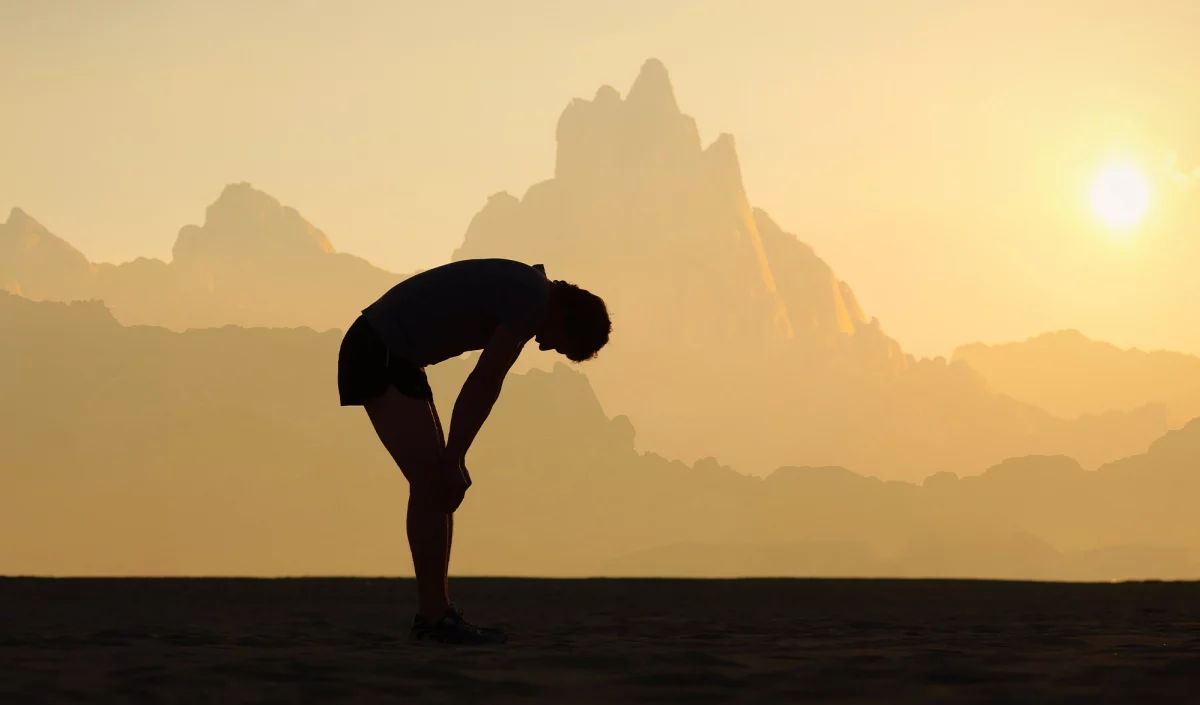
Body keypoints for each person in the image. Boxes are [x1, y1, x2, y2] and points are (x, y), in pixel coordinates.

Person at [337, 258, 611, 644]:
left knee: (437, 487)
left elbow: (485, 385)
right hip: (376, 350)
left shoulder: (530, 293)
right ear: (567, 315)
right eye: (561, 345)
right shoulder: (531, 301)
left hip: (395, 356)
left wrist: (454, 457)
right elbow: (484, 382)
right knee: (433, 483)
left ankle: (438, 613)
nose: (546, 346)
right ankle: (433, 619)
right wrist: (454, 458)